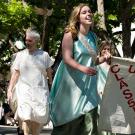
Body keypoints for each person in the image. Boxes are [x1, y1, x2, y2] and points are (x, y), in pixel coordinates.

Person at [49, 3, 111, 135]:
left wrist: (104, 58)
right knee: (70, 121)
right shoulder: (70, 34)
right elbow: (67, 58)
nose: (88, 14)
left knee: (90, 121)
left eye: (89, 12)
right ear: (77, 17)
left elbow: (94, 61)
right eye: (84, 12)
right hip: (72, 84)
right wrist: (82, 68)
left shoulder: (93, 37)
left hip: (89, 85)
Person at [7, 27, 54, 135]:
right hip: (24, 90)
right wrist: (10, 89)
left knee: (38, 120)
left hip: (40, 91)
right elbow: (16, 74)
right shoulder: (20, 55)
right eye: (26, 40)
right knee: (26, 115)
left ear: (36, 41)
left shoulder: (44, 55)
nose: (27, 42)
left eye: (30, 40)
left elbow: (49, 73)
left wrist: (52, 85)